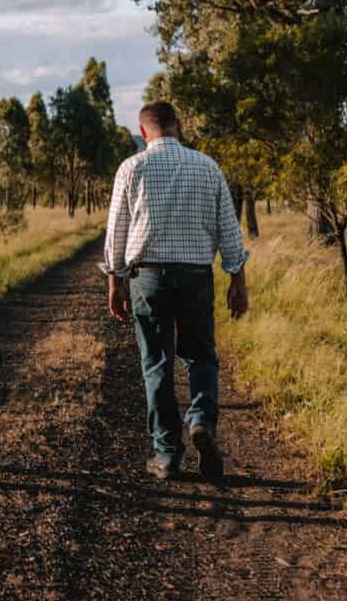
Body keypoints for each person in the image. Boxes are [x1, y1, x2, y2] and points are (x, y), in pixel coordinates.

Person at [103, 101, 250, 481]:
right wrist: (237, 278)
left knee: (157, 364)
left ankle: (167, 454)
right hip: (196, 276)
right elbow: (228, 230)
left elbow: (117, 231)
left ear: (144, 130)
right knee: (201, 357)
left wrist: (115, 281)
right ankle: (201, 421)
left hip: (148, 278)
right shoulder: (207, 166)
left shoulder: (131, 168)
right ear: (178, 126)